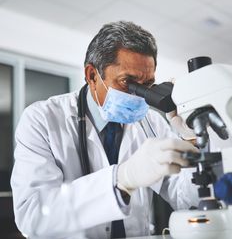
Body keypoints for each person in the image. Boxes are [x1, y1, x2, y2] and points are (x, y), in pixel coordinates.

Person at [11, 21, 199, 239]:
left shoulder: (152, 123)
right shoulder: (42, 119)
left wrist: (196, 140)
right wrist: (122, 179)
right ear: (92, 76)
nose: (139, 96)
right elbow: (32, 216)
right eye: (128, 82)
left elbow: (186, 198)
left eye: (147, 85)